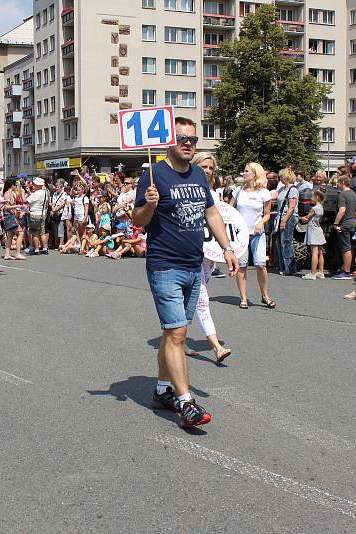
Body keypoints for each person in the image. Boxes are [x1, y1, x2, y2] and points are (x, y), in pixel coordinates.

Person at [132, 116, 238, 429]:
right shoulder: (154, 174)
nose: (189, 143)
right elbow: (139, 220)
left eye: (193, 138)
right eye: (183, 138)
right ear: (170, 141)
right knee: (177, 332)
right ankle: (185, 402)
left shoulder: (197, 175)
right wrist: (149, 205)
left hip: (194, 265)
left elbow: (211, 212)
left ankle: (163, 389)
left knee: (172, 333)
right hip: (165, 265)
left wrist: (228, 248)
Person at [232, 162, 274, 308]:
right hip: (241, 235)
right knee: (242, 266)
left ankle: (265, 295)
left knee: (261, 264)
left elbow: (267, 214)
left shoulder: (263, 192)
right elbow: (230, 210)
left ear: (255, 174)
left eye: (246, 171)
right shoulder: (238, 191)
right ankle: (243, 298)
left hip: (257, 233)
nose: (244, 173)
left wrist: (260, 223)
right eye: (244, 171)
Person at [331, 173, 356, 279]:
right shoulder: (353, 193)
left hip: (344, 224)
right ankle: (346, 268)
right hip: (352, 222)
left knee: (345, 248)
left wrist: (336, 223)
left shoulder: (342, 195)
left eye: (338, 183)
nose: (337, 185)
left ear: (342, 183)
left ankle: (346, 271)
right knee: (349, 247)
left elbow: (342, 210)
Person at [275, 168, 299, 276]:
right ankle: (283, 266)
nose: (280, 178)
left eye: (281, 176)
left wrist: (284, 221)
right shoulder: (282, 189)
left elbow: (292, 207)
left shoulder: (292, 189)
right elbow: (273, 196)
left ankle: (290, 268)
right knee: (280, 242)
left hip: (288, 217)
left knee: (286, 242)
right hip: (281, 216)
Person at [301, 190, 326, 279]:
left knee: (314, 252)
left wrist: (301, 218)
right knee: (320, 252)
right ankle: (321, 271)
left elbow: (307, 218)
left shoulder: (314, 208)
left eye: (312, 197)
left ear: (317, 197)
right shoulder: (321, 208)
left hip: (313, 230)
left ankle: (312, 273)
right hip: (319, 230)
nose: (311, 199)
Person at [2, 177, 27, 260]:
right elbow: (6, 206)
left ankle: (7, 254)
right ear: (12, 185)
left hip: (10, 215)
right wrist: (18, 206)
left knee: (10, 235)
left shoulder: (10, 193)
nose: (16, 186)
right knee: (20, 233)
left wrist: (17, 209)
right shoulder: (8, 193)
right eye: (15, 185)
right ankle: (17, 253)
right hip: (9, 216)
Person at [26, 177, 50, 254]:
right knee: (42, 232)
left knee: (35, 232)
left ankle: (36, 249)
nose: (33, 185)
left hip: (35, 214)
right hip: (43, 214)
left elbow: (25, 201)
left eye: (34, 184)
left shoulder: (36, 193)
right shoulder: (45, 192)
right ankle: (45, 248)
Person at [50, 178, 71, 248]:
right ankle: (56, 243)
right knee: (55, 228)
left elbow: (62, 204)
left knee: (60, 228)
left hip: (62, 213)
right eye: (56, 187)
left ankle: (61, 244)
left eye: (58, 187)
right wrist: (53, 209)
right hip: (55, 213)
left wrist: (54, 210)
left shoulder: (64, 194)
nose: (56, 188)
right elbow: (53, 202)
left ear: (62, 187)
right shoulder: (54, 194)